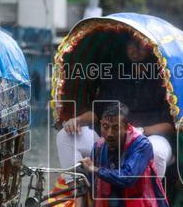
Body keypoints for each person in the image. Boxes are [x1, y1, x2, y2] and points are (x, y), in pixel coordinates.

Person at [57, 35, 174, 181]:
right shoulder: (115, 74)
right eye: (131, 44)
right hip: (110, 138)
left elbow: (170, 124)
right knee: (65, 136)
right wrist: (77, 120)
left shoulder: (165, 79)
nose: (135, 49)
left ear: (152, 49)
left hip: (149, 137)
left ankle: (145, 200)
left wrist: (139, 133)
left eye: (141, 44)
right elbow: (97, 112)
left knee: (155, 151)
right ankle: (79, 195)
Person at [80, 103, 170, 207]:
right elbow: (93, 184)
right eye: (105, 126)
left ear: (127, 127)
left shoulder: (141, 145)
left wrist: (96, 169)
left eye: (115, 128)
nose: (109, 133)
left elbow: (128, 177)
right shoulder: (99, 147)